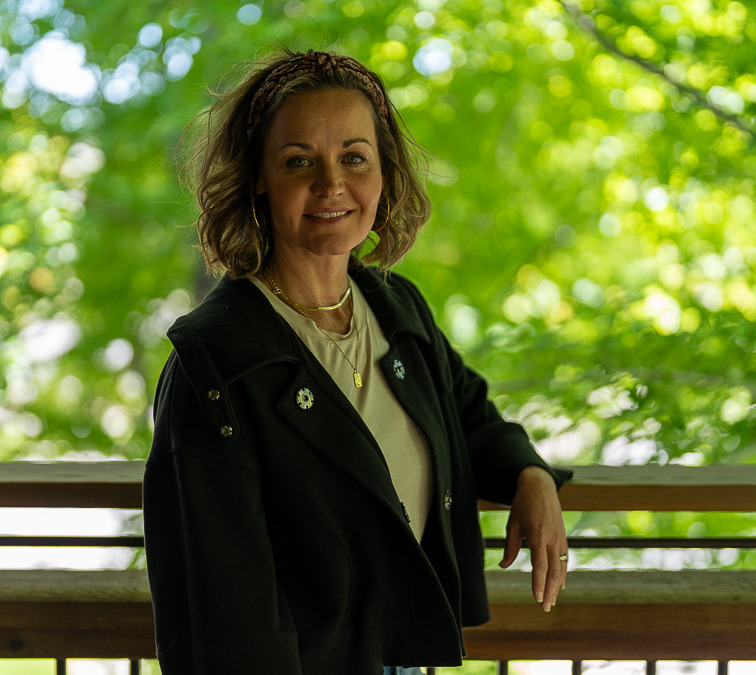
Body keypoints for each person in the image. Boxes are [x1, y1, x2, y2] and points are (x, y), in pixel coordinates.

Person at [142, 48, 572, 675]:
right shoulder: (216, 367)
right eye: (298, 161)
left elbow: (471, 420)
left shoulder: (394, 306)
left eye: (353, 157)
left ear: (382, 173)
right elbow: (224, 611)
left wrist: (530, 476)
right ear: (258, 177)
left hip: (404, 657)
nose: (331, 184)